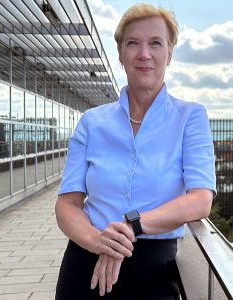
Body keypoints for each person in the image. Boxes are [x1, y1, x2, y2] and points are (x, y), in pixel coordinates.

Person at [54, 3, 216, 299]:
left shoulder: (190, 117)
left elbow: (200, 200)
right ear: (120, 54)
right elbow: (67, 204)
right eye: (133, 43)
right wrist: (98, 240)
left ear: (169, 53)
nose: (144, 54)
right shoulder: (92, 122)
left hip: (154, 270)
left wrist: (133, 225)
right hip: (86, 263)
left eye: (156, 43)